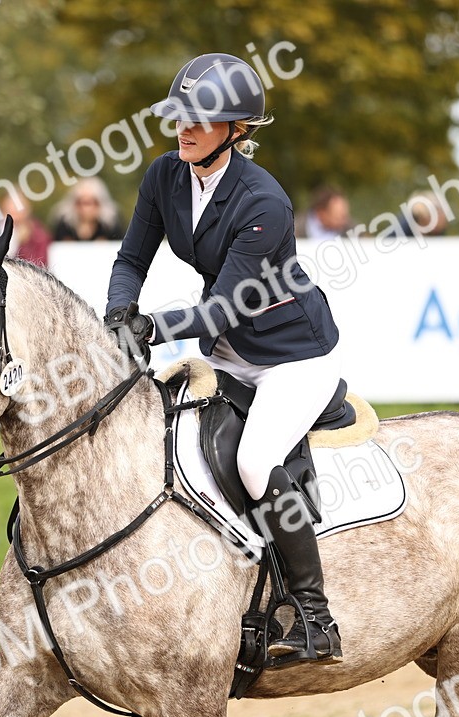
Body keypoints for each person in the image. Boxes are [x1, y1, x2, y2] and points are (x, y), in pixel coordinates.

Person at [104, 53, 343, 665]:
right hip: (229, 351)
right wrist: (118, 314)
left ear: (236, 130)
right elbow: (132, 260)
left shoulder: (265, 202)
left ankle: (315, 619)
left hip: (291, 356)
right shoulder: (164, 176)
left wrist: (152, 325)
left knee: (256, 460)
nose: (183, 128)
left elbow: (219, 312)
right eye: (178, 117)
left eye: (199, 120)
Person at [0, 190, 51, 265]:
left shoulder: (38, 236)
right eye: (10, 205)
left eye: (18, 207)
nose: (14, 210)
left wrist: (22, 245)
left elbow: (38, 266)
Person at [51, 178, 124, 241]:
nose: (83, 208)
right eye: (79, 202)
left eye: (88, 203)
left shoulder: (110, 226)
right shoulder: (64, 226)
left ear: (99, 204)